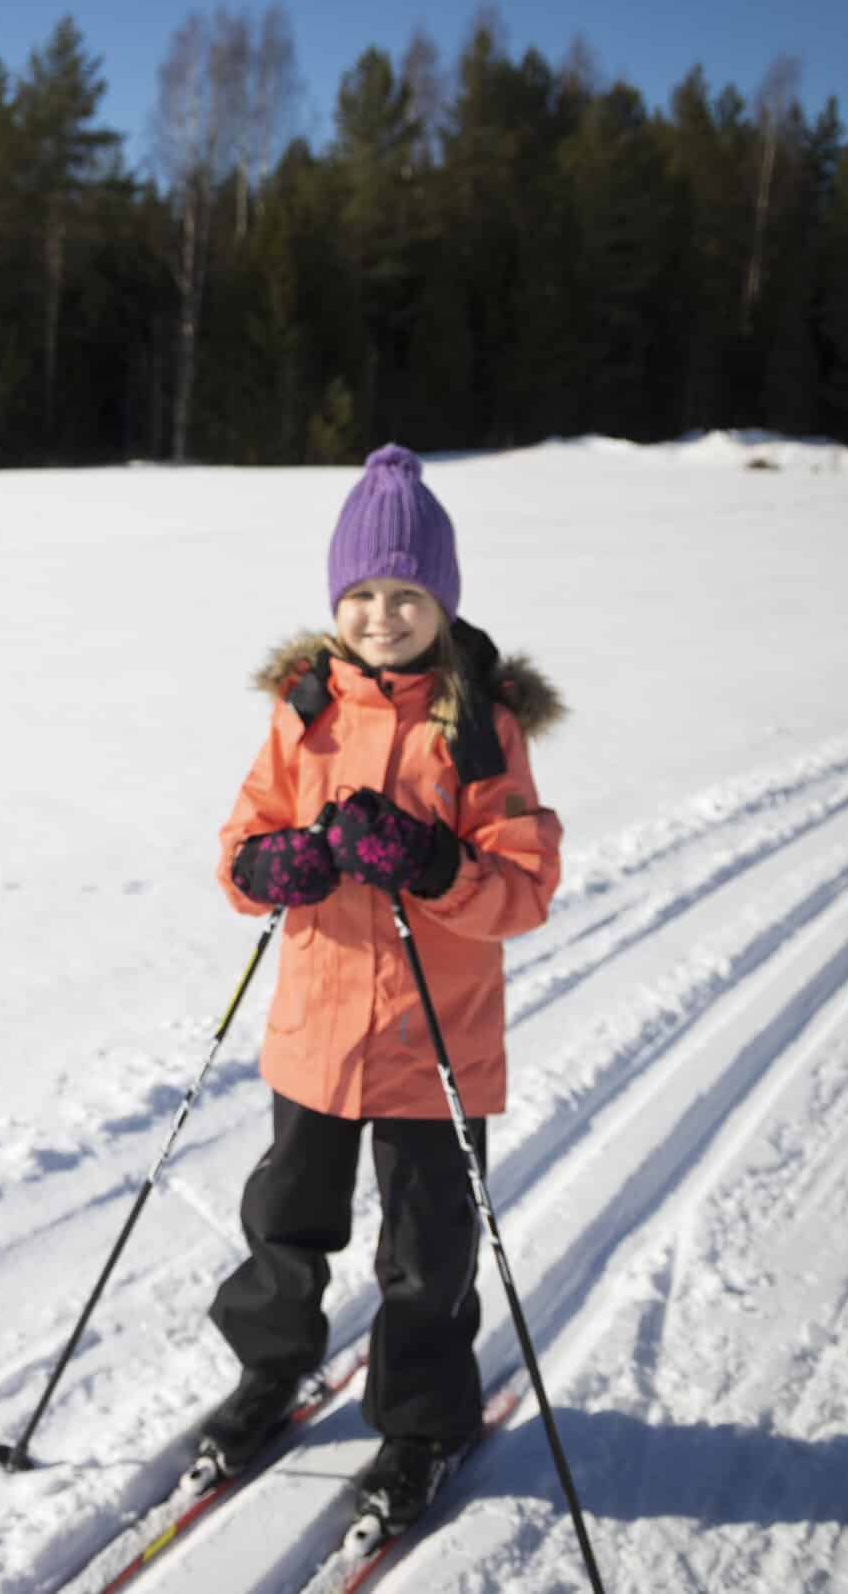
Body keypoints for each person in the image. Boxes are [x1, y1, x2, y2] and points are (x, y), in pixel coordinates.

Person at [202, 442, 562, 1532]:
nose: (380, 614)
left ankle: (420, 1421)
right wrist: (274, 865)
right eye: (360, 593)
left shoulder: (479, 723)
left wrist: (433, 861)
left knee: (426, 1256)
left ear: (441, 601)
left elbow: (525, 884)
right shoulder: (303, 707)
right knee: (284, 1224)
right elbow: (240, 841)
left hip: (432, 1040)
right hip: (315, 1028)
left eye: (405, 594)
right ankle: (271, 1369)